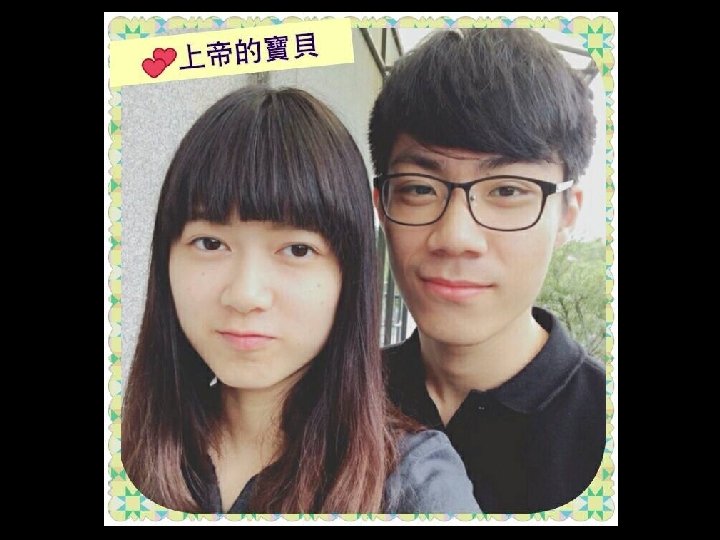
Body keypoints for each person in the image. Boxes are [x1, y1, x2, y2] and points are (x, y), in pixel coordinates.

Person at [122, 86, 480, 515]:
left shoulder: (413, 484)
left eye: (296, 249)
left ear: (350, 274)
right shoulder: (127, 451)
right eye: (210, 243)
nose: (245, 295)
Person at [369, 28, 605, 514]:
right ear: (381, 205)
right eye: (419, 188)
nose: (455, 237)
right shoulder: (340, 394)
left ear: (567, 214)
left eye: (507, 190)